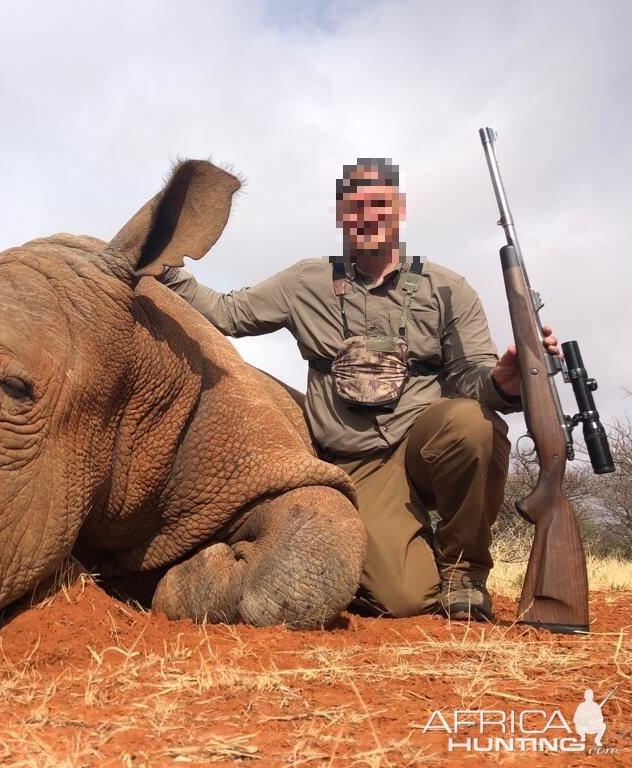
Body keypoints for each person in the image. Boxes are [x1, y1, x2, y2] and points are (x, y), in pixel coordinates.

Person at [158, 157, 560, 622]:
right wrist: (164, 268)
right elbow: (226, 313)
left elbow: (474, 379)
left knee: (473, 423)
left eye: (378, 203)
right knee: (403, 600)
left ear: (397, 209)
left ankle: (464, 573)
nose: (367, 215)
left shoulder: (448, 288)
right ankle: (409, 551)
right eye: (355, 206)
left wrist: (502, 382)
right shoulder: (304, 281)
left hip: (424, 445)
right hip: (358, 463)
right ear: (341, 216)